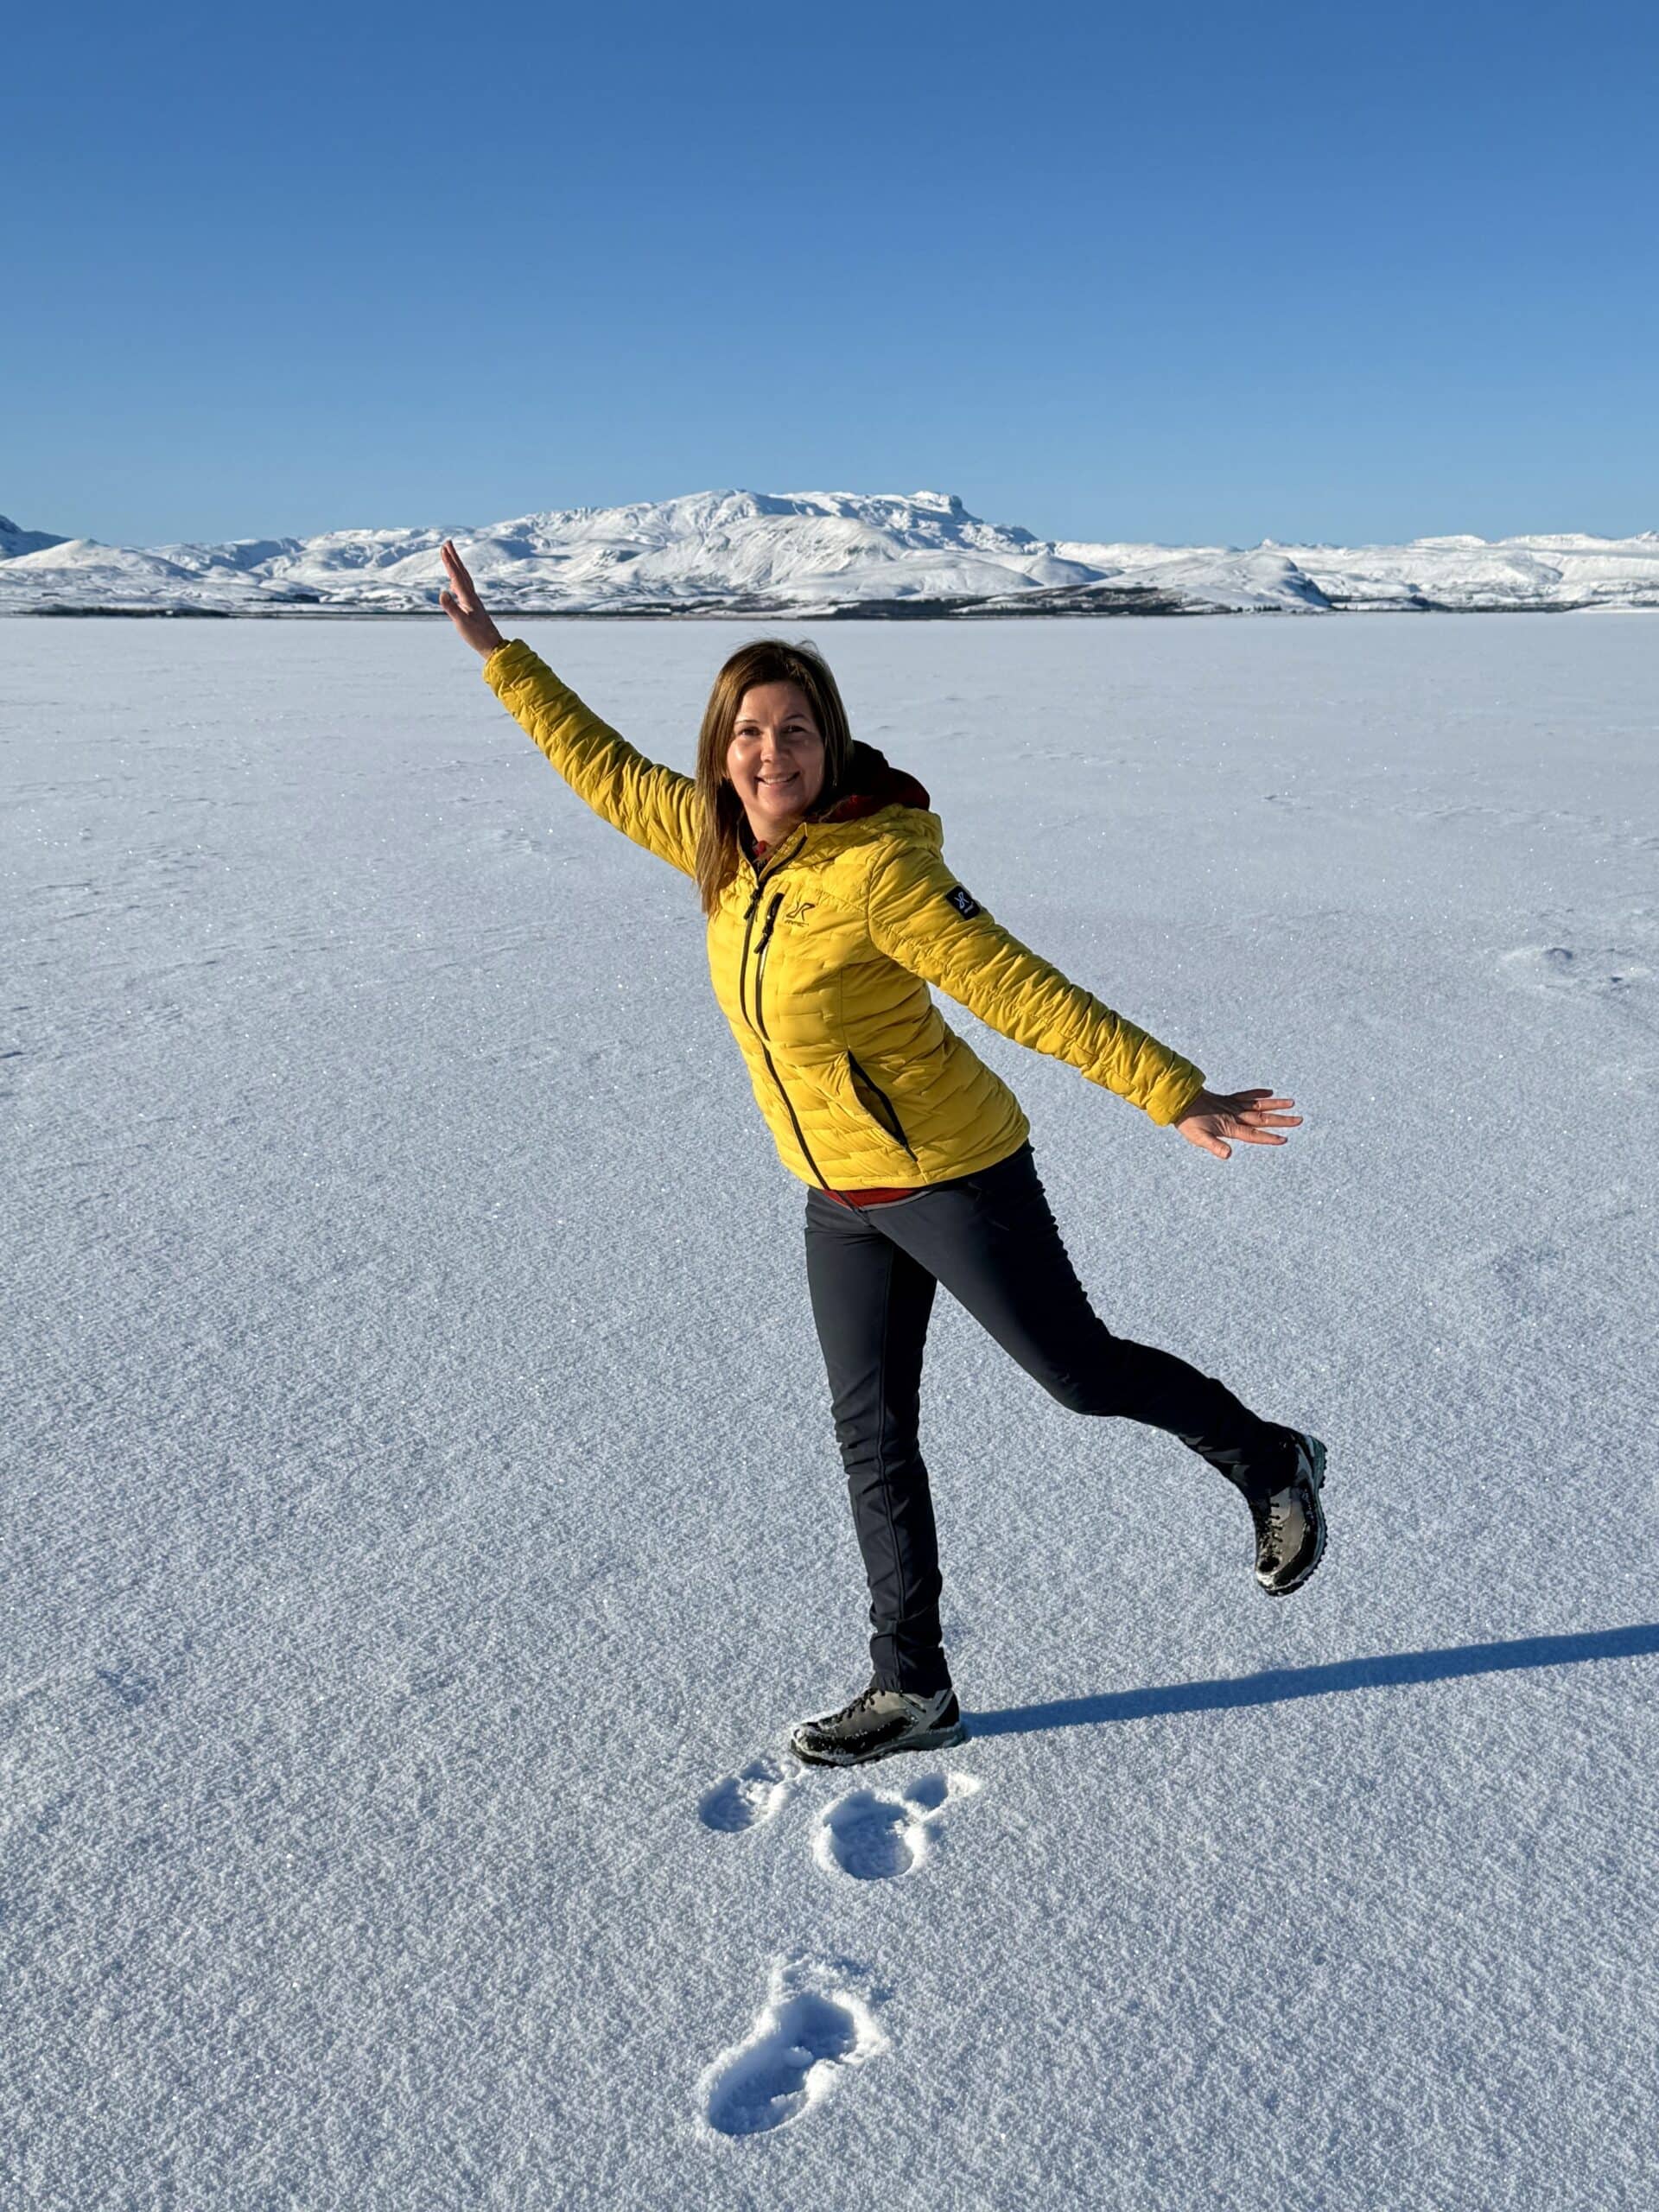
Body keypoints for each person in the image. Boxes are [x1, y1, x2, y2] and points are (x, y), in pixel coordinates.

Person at [438, 539, 1325, 1767]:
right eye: (749, 731)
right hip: (838, 1196)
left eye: (794, 730)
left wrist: (1173, 1092)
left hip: (953, 1173)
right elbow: (593, 764)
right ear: (722, 747)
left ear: (829, 742)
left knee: (1076, 1374)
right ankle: (913, 1686)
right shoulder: (713, 839)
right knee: (872, 1433)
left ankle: (1270, 1456)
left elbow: (1021, 990)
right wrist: (500, 658)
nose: (770, 753)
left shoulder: (880, 870)